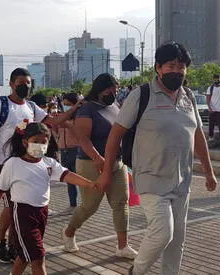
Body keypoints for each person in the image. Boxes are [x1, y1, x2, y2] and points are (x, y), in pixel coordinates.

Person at [98, 42, 218, 275]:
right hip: (151, 178)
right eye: (171, 66)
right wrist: (106, 171)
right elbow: (115, 135)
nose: (177, 71)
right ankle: (137, 270)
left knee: (176, 242)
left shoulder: (188, 97)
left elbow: (198, 135)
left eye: (182, 67)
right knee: (163, 232)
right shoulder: (141, 95)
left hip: (182, 181)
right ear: (158, 68)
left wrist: (209, 171)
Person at [0, 68, 81, 263]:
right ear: (11, 84)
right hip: (5, 162)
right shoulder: (1, 105)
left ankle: (9, 243)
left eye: (28, 83)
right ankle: (4, 241)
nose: (25, 86)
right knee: (13, 205)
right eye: (20, 83)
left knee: (16, 205)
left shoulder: (31, 106)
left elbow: (52, 121)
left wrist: (74, 108)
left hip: (26, 161)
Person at [0, 121, 95, 274]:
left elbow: (67, 175)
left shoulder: (48, 163)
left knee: (25, 256)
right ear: (25, 142)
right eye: (35, 142)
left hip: (42, 214)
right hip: (23, 214)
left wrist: (90, 184)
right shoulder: (13, 164)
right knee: (38, 257)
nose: (39, 145)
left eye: (43, 142)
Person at [62, 73, 138, 259]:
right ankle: (69, 232)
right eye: (110, 89)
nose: (114, 92)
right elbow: (83, 138)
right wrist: (97, 158)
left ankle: (123, 246)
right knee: (90, 205)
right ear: (100, 89)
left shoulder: (114, 106)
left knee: (121, 203)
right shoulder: (87, 109)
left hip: (116, 162)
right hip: (91, 163)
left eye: (116, 89)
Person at [55, 92, 80, 213]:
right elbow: (55, 130)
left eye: (68, 104)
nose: (65, 107)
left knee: (79, 178)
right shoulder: (62, 116)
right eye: (64, 104)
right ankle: (72, 204)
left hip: (75, 149)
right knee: (69, 179)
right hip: (63, 150)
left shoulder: (80, 117)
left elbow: (81, 134)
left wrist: (69, 125)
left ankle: (86, 204)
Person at [206, 74, 220, 147]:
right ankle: (211, 139)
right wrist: (209, 108)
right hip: (213, 110)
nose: (216, 80)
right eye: (215, 79)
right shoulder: (210, 88)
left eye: (218, 79)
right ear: (213, 80)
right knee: (211, 125)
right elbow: (208, 98)